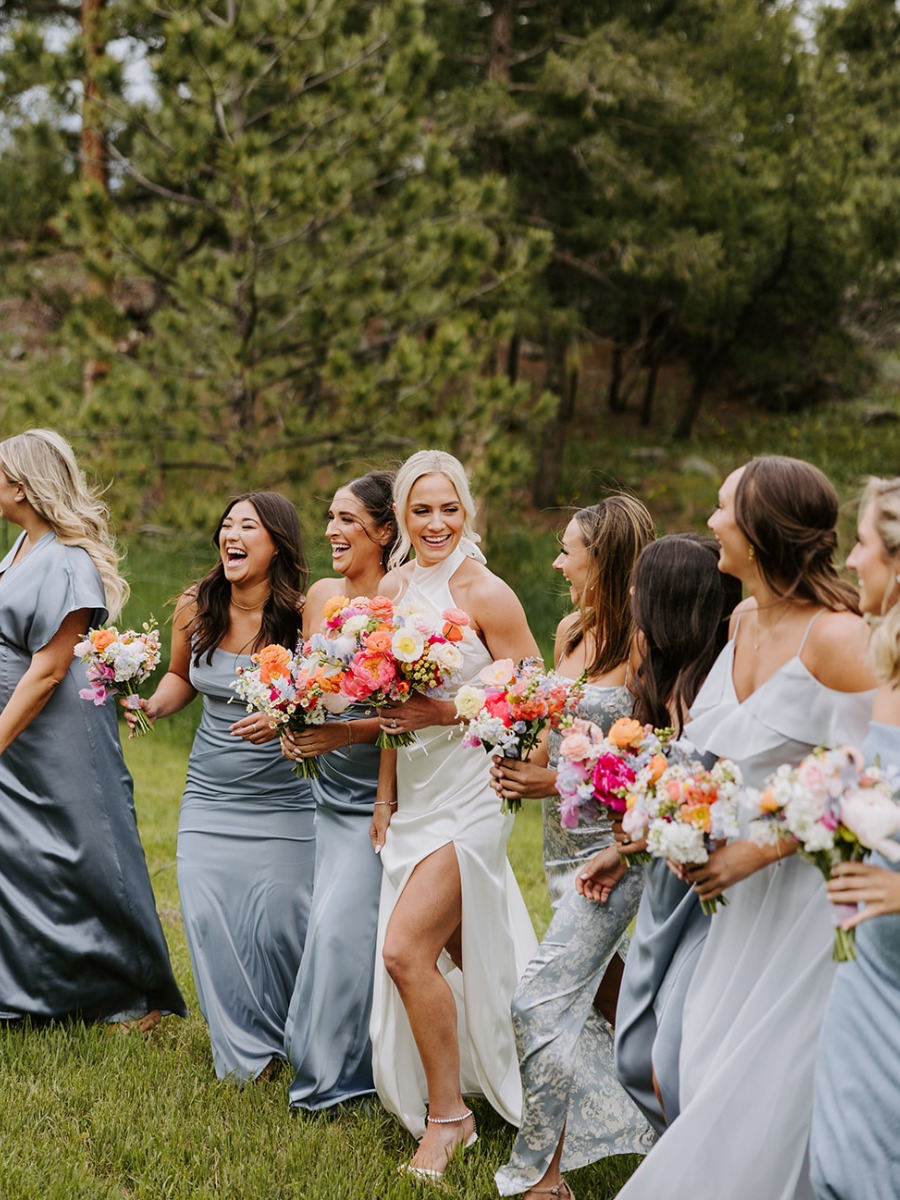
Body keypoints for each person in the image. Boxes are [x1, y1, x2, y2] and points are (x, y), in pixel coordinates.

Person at [615, 456, 877, 1200]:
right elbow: (720, 754)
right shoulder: (740, 618)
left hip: (803, 901)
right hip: (729, 900)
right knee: (698, 1064)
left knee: (761, 1093)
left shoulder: (836, 637)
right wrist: (668, 817)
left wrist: (762, 850)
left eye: (723, 508)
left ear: (760, 531)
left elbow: (876, 774)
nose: (710, 522)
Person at [368, 449, 540, 1179]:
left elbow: (535, 700)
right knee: (479, 957)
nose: (436, 523)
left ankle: (449, 1119)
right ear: (402, 517)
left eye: (449, 508)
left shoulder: (487, 593)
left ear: (466, 509)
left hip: (474, 793)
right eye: (421, 509)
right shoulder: (393, 585)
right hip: (417, 792)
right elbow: (387, 705)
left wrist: (445, 709)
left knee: (407, 950)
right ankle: (563, 1073)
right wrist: (385, 792)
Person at [494, 497, 657, 1199]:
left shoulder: (649, 644)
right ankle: (698, 1124)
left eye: (569, 553)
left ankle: (543, 1177)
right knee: (618, 1006)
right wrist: (508, 732)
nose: (557, 563)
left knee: (539, 1001)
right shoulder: (569, 629)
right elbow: (560, 731)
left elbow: (652, 766)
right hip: (559, 848)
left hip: (616, 854)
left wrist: (546, 779)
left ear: (607, 561)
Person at [127, 492, 315, 1082]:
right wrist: (153, 704)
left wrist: (288, 714)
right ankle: (245, 1053)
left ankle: (296, 1033)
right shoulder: (197, 604)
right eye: (226, 524)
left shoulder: (305, 613)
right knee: (209, 915)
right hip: (211, 793)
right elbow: (181, 677)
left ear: (277, 543)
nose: (231, 535)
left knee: (283, 916)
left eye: (247, 526)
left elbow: (325, 695)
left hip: (287, 796)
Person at [0, 428, 185, 1025]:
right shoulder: (19, 549)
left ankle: (134, 994)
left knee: (83, 850)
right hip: (16, 728)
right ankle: (33, 992)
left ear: (22, 485)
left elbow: (50, 669)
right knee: (22, 858)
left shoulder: (68, 559)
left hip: (52, 730)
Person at [613, 535, 741, 1135]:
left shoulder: (726, 689)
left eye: (642, 585)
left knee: (669, 1058)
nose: (631, 595)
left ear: (670, 601)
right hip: (666, 886)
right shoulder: (662, 685)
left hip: (711, 893)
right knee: (634, 1053)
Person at [280, 472, 397, 1111]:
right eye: (330, 516)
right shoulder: (322, 595)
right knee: (332, 927)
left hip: (378, 800)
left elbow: (405, 714)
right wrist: (290, 724)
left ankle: (337, 1079)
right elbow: (304, 679)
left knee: (339, 933)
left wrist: (336, 735)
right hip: (323, 793)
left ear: (384, 531)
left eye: (347, 519)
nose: (330, 530)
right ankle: (342, 1062)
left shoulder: (402, 603)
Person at [810, 476, 900, 1200]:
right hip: (871, 955)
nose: (852, 562)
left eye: (863, 544)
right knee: (844, 1166)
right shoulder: (884, 665)